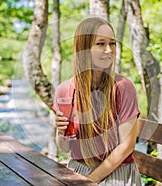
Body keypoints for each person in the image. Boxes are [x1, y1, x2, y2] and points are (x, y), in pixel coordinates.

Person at [53, 17, 141, 185]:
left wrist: (90, 180)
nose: (109, 50)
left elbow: (126, 147)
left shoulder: (122, 87)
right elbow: (64, 147)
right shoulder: (64, 90)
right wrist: (61, 132)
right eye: (101, 44)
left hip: (117, 172)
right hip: (78, 169)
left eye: (112, 44)